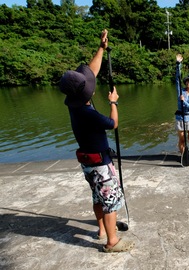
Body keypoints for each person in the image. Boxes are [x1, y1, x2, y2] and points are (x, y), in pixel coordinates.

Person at [59, 29, 134, 253]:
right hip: (100, 162)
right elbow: (113, 124)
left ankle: (102, 230)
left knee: (97, 196)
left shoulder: (74, 104)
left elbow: (91, 71)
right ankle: (112, 241)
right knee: (110, 200)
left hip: (87, 161)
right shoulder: (87, 113)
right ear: (86, 93)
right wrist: (113, 102)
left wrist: (101, 47)